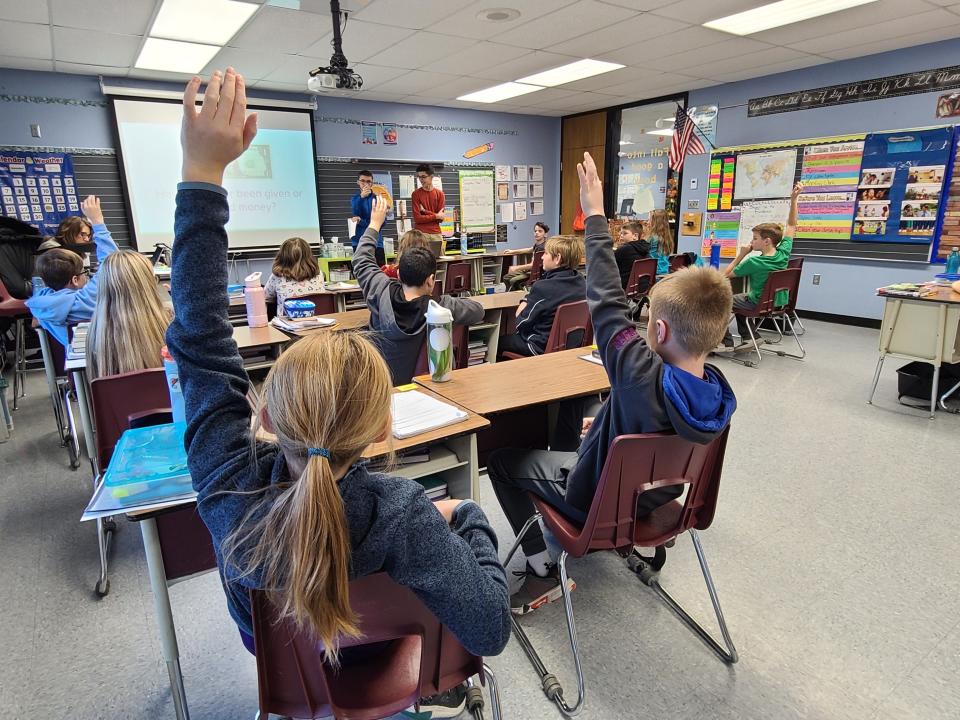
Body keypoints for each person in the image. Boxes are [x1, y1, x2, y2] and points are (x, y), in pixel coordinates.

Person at [166, 69, 510, 664]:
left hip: (287, 681)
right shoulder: (402, 513)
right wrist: (472, 515)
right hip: (393, 675)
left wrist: (202, 175)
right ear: (383, 429)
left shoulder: (228, 484)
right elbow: (490, 629)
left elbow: (199, 336)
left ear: (267, 414)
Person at [487, 151, 736, 614]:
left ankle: (541, 571)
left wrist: (595, 215)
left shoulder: (639, 372)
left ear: (658, 331)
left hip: (596, 504)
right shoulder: (720, 393)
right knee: (589, 424)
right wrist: (606, 426)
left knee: (502, 461)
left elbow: (605, 298)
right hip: (659, 502)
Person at [353, 196, 483, 384]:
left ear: (398, 275)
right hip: (422, 391)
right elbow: (477, 311)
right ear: (431, 280)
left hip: (379, 388)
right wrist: (445, 301)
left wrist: (374, 224)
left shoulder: (380, 289)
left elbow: (361, 260)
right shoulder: (440, 307)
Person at [716, 181, 800, 353]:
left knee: (720, 301)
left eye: (755, 238)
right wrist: (794, 200)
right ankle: (750, 337)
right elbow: (792, 225)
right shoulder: (783, 252)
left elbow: (725, 275)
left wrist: (742, 254)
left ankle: (726, 343)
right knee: (740, 298)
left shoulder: (753, 262)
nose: (752, 241)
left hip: (758, 303)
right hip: (777, 303)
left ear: (766, 241)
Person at [26, 195, 118, 348]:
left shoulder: (40, 304)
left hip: (75, 365)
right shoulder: (85, 300)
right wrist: (98, 221)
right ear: (75, 280)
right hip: (107, 360)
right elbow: (113, 263)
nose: (87, 239)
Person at [86, 250, 171, 380]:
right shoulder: (170, 322)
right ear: (150, 283)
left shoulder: (95, 334)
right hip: (167, 399)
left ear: (103, 287)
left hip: (116, 400)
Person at [498, 234, 585, 358]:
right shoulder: (581, 281)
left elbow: (521, 323)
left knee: (498, 342)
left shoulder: (543, 287)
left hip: (538, 346)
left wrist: (524, 301)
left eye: (546, 253)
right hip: (570, 345)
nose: (542, 257)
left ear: (557, 258)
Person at [263, 236, 326, 316]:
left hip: (288, 325)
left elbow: (265, 297)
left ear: (282, 256)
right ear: (309, 255)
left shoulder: (277, 276)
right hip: (317, 323)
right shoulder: (318, 273)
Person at [349, 170, 385, 267]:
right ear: (358, 182)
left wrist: (361, 221)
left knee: (380, 272)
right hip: (358, 241)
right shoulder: (355, 199)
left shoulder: (378, 199)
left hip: (376, 243)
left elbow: (381, 222)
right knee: (361, 271)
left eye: (368, 181)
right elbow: (356, 214)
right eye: (362, 181)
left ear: (372, 183)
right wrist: (361, 197)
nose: (366, 184)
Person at [503, 221, 549, 291]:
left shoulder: (542, 248)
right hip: (529, 271)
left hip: (535, 273)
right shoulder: (537, 245)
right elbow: (529, 249)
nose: (537, 233)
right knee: (506, 277)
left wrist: (516, 268)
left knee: (513, 281)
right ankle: (509, 293)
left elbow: (533, 265)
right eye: (535, 231)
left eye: (540, 231)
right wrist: (512, 251)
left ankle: (519, 295)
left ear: (545, 234)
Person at [411, 164, 445, 248]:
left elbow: (441, 219)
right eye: (419, 177)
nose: (421, 180)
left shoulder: (440, 194)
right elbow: (417, 219)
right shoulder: (416, 194)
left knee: (439, 260)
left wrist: (425, 211)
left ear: (431, 177)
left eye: (423, 177)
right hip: (421, 234)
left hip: (436, 234)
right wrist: (436, 216)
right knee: (421, 260)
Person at [613, 221, 650, 289]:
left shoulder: (624, 249)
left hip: (625, 287)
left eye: (625, 233)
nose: (621, 235)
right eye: (621, 233)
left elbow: (610, 266)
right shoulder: (646, 248)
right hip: (643, 287)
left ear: (635, 236)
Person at [645, 209, 674, 275]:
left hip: (654, 272)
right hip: (665, 271)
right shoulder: (667, 238)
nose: (647, 222)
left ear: (654, 222)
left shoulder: (652, 237)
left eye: (649, 219)